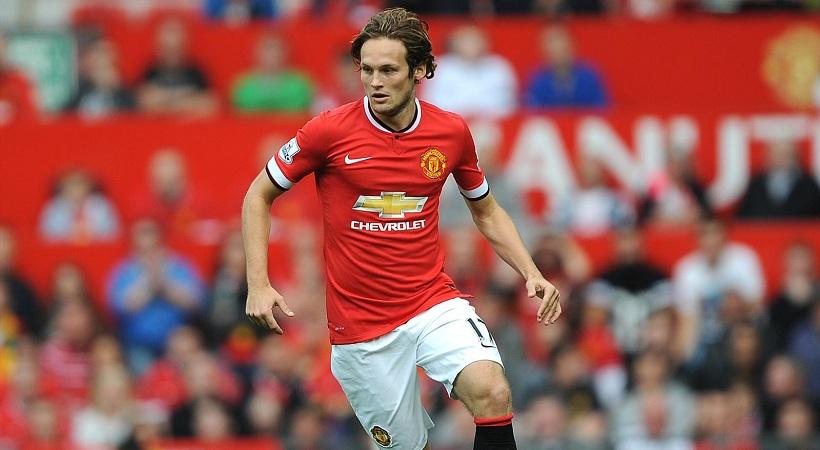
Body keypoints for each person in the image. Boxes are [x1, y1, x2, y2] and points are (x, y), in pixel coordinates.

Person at [242, 8, 561, 450]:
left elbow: (486, 211)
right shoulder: (328, 131)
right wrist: (258, 284)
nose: (375, 82)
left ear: (420, 71)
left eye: (389, 70)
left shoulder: (450, 132)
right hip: (360, 329)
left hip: (431, 302)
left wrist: (531, 271)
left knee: (492, 390)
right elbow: (257, 195)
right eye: (367, 70)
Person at [231, 34, 315, 113]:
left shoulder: (302, 83)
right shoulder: (242, 85)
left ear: (286, 52)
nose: (272, 54)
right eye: (267, 48)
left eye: (277, 48)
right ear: (256, 52)